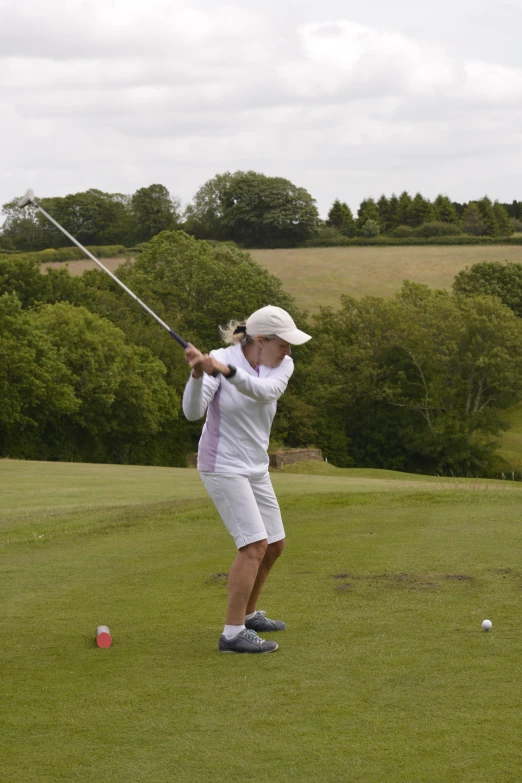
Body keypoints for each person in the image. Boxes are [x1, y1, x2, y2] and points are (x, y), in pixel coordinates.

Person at [182, 305, 312, 653]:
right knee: (254, 544)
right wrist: (198, 375)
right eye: (284, 344)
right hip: (222, 465)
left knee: (274, 545)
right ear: (260, 340)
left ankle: (249, 613)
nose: (289, 351)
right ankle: (232, 633)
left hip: (255, 467)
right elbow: (192, 412)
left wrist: (226, 371)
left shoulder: (281, 365)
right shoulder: (219, 359)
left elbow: (263, 391)